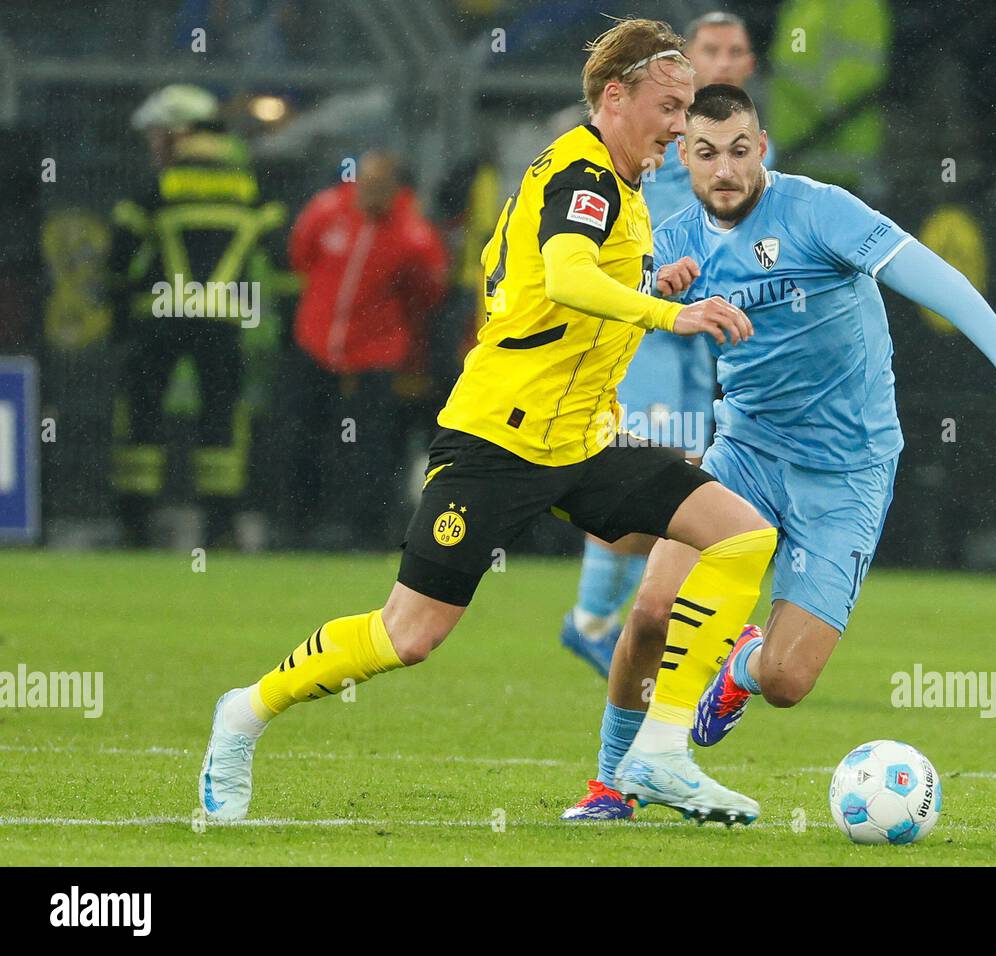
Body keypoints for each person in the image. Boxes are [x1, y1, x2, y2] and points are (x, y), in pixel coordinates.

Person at [199, 19, 780, 826]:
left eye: (688, 109)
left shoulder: (626, 183)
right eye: (671, 105)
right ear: (616, 96)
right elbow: (569, 275)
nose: (682, 124)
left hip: (585, 438)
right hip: (498, 438)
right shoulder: (584, 173)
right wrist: (664, 313)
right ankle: (246, 711)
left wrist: (660, 279)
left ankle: (661, 749)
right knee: (408, 636)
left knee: (743, 535)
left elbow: (555, 278)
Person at [563, 85, 996, 821]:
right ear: (684, 160)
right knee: (652, 613)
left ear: (761, 148)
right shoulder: (669, 243)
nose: (724, 169)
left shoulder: (819, 210)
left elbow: (930, 273)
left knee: (789, 679)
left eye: (739, 150)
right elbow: (593, 312)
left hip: (847, 470)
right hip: (747, 449)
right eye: (705, 154)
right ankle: (611, 784)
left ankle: (740, 667)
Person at [558, 10, 771, 675]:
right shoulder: (653, 140)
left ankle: (604, 620)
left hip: (696, 343)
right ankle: (608, 621)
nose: (725, 60)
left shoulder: (749, 147)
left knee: (669, 482)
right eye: (711, 48)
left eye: (737, 50)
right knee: (660, 482)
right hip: (645, 335)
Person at [108, 85, 285, 547]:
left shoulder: (158, 187)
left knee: (143, 417)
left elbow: (120, 257)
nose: (153, 143)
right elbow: (283, 259)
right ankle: (221, 529)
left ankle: (135, 527)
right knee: (222, 421)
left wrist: (118, 316)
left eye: (157, 134)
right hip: (224, 323)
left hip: (160, 318)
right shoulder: (250, 187)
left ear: (179, 131)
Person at [283, 151, 450, 549]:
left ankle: (362, 530)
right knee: (304, 437)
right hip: (316, 345)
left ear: (395, 188)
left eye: (378, 186)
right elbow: (300, 257)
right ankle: (297, 526)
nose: (368, 193)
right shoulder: (326, 212)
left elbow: (429, 291)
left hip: (375, 356)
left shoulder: (412, 234)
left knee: (369, 448)